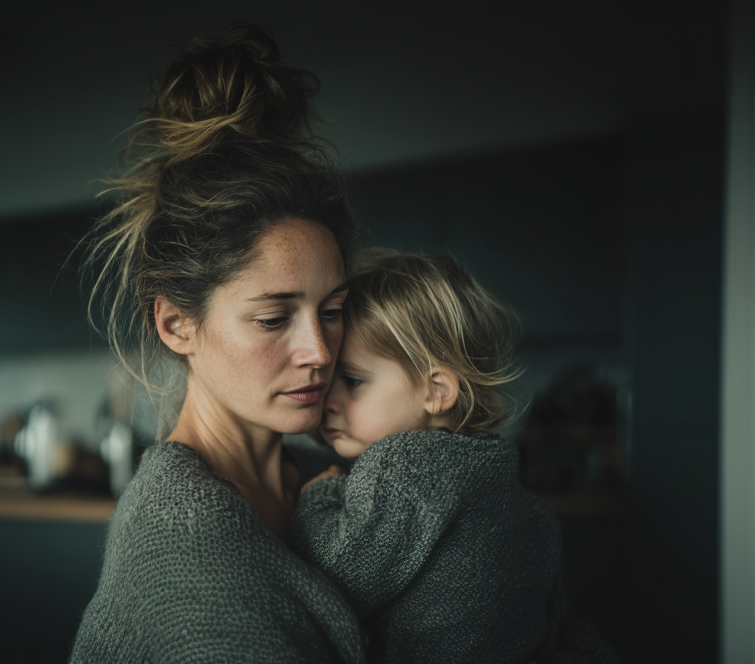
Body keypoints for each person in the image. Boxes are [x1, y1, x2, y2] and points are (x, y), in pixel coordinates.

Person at [69, 25, 367, 663]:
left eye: (333, 311)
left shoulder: (324, 477)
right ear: (177, 324)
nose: (320, 350)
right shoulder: (183, 536)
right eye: (272, 319)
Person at [290, 250, 620, 663]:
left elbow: (336, 569)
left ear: (437, 391)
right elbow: (552, 620)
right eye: (328, 380)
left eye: (352, 381)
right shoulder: (510, 489)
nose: (328, 401)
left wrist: (319, 496)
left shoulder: (404, 465)